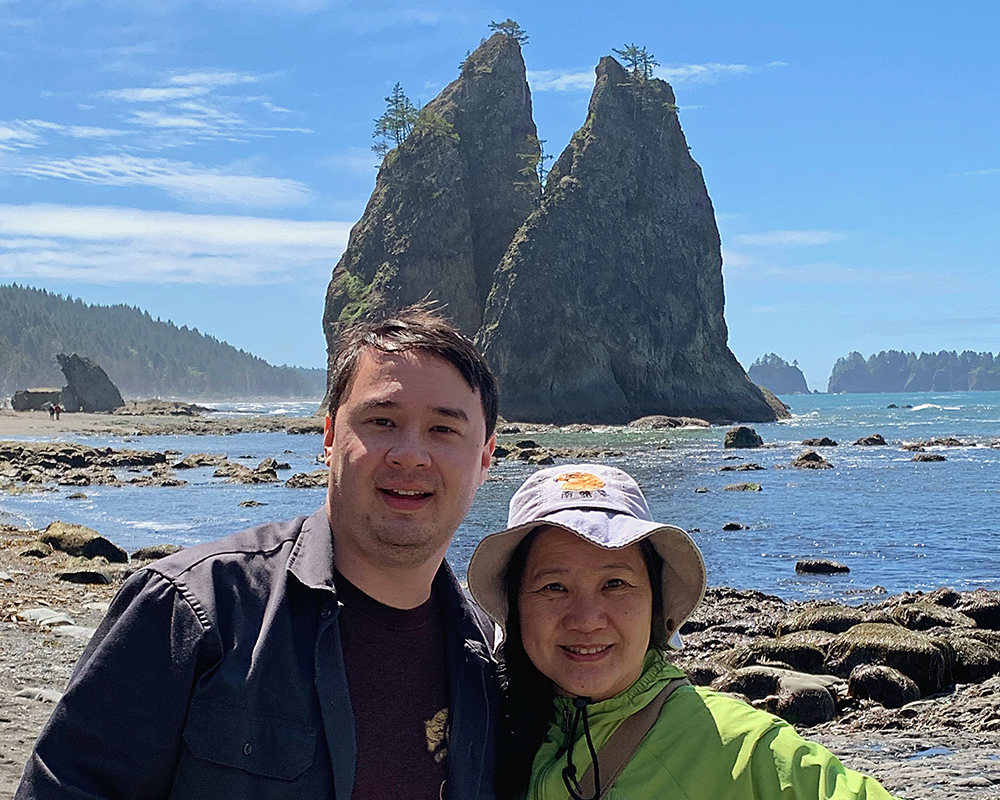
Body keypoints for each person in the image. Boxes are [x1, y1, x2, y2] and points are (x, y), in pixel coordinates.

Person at [16, 304, 500, 800]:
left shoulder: (491, 660)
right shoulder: (193, 610)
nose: (410, 453)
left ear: (485, 458)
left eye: (444, 429)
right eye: (381, 420)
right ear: (330, 437)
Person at [467, 464, 900, 800]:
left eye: (615, 584)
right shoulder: (475, 733)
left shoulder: (743, 746)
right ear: (516, 606)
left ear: (656, 601)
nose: (586, 618)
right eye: (553, 586)